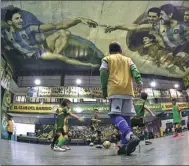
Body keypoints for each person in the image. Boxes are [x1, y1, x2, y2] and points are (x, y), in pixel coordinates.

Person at [2, 8, 98, 68]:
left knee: (64, 32)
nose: (21, 20)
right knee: (60, 57)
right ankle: (56, 57)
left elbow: (57, 25)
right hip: (37, 55)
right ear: (10, 22)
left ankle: (55, 55)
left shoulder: (29, 29)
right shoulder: (4, 34)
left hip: (41, 49)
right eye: (17, 18)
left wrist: (78, 20)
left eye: (21, 18)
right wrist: (88, 65)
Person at [100, 41, 143, 155]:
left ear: (110, 51)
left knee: (114, 114)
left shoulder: (106, 59)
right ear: (121, 50)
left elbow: (103, 73)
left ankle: (130, 135)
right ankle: (124, 145)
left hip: (114, 90)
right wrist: (139, 81)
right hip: (128, 91)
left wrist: (104, 89)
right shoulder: (128, 59)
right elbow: (135, 70)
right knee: (126, 116)